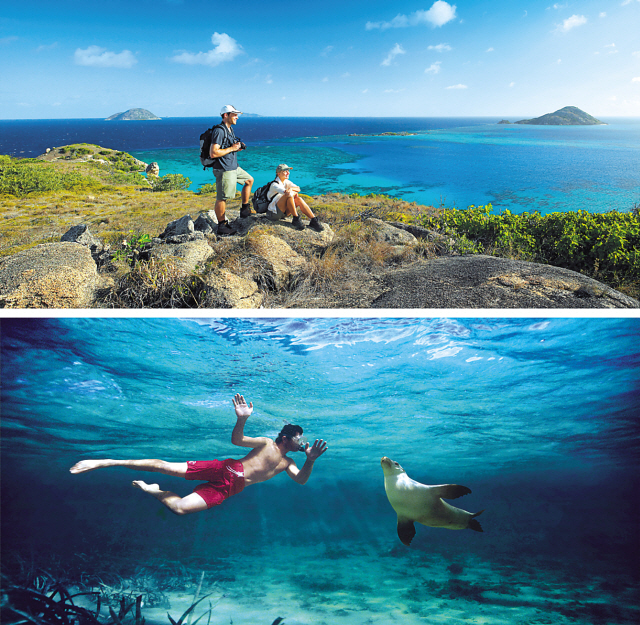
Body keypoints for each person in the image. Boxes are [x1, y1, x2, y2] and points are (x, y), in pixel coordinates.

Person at [69, 394, 328, 516]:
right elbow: (237, 440)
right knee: (166, 467)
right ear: (285, 437)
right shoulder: (265, 444)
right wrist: (241, 420)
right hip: (225, 470)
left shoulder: (289, 463)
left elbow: (302, 480)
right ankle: (108, 461)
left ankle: (154, 490)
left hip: (231, 489)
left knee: (180, 508)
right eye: (299, 438)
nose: (302, 442)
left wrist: (310, 459)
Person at [210, 105, 254, 236]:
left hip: (233, 166)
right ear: (225, 115)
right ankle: (222, 226)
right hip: (224, 169)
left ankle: (245, 209)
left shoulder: (229, 130)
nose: (237, 117)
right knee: (222, 198)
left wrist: (237, 147)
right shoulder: (219, 131)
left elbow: (229, 147)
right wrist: (232, 149)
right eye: (234, 115)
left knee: (249, 180)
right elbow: (213, 153)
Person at [266, 164, 324, 232]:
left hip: (284, 212)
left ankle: (314, 220)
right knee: (289, 195)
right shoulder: (274, 185)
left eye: (288, 171)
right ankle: (296, 219)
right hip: (273, 213)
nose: (288, 173)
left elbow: (298, 188)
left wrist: (291, 189)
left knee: (299, 199)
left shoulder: (286, 182)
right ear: (278, 174)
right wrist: (293, 192)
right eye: (285, 171)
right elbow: (287, 193)